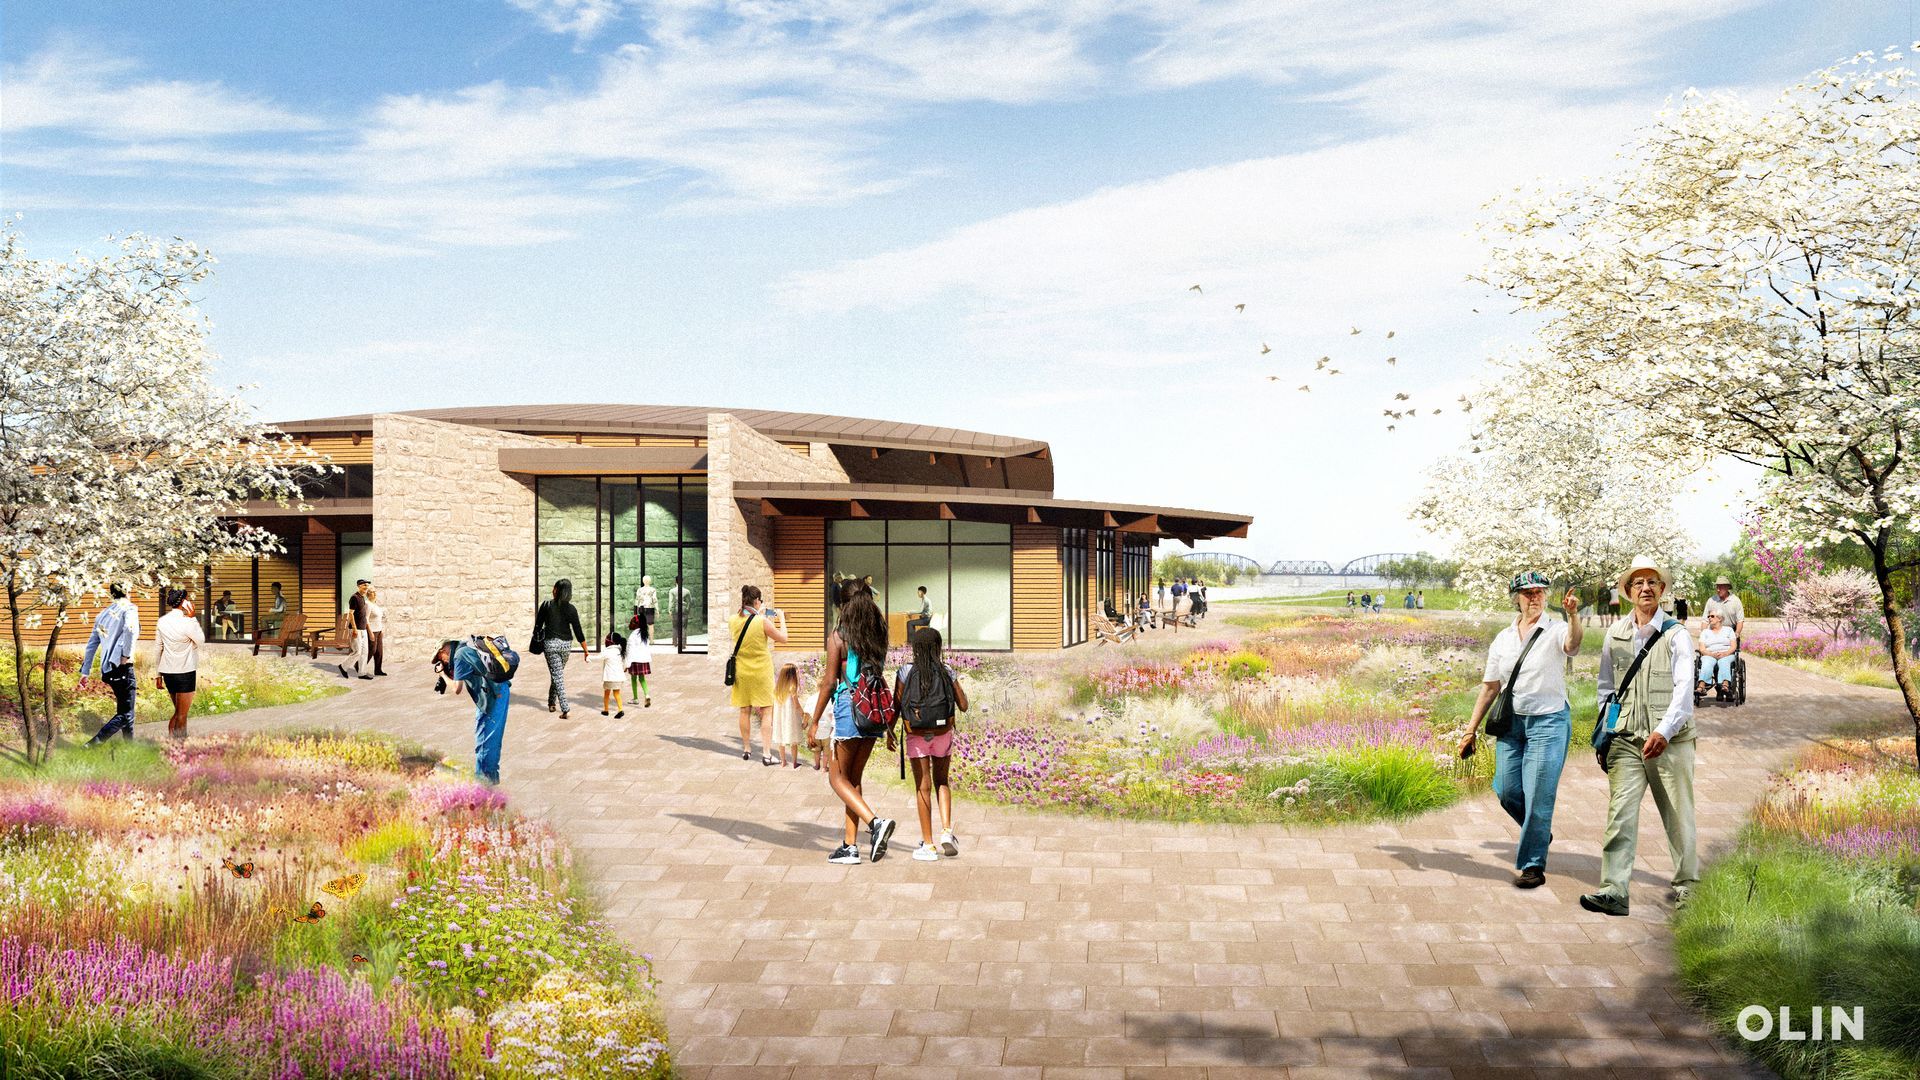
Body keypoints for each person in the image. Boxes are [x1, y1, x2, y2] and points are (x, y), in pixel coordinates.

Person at [1582, 556, 1698, 917]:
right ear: (1629, 592)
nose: (1645, 588)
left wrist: (1664, 730)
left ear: (1662, 590)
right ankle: (1613, 891)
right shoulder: (1614, 634)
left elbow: (1684, 690)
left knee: (1678, 815)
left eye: (1652, 582)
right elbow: (1606, 688)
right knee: (1620, 816)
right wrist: (1607, 731)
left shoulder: (1677, 635)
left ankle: (1687, 887)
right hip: (1627, 741)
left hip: (1670, 742)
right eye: (1638, 583)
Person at [1457, 572, 1585, 888]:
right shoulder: (1503, 638)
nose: (1534, 597)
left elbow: (1573, 644)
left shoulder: (1556, 629)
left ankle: (1532, 865)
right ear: (1516, 597)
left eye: (1539, 592)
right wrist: (1469, 730)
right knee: (1506, 789)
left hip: (1548, 722)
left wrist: (1573, 615)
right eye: (1527, 593)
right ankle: (1539, 830)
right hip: (1512, 724)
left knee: (1539, 794)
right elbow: (1490, 687)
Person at [809, 579, 898, 864]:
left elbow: (828, 682)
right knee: (853, 780)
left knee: (836, 778)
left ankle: (875, 823)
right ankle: (850, 846)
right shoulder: (877, 633)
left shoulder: (839, 636)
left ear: (843, 605)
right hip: (872, 708)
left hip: (849, 706)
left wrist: (814, 722)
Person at [894, 626, 968, 862]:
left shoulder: (905, 671)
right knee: (941, 781)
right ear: (937, 647)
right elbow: (964, 705)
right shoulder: (947, 671)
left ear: (915, 648)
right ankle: (946, 831)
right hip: (943, 732)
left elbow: (897, 704)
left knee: (922, 787)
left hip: (916, 735)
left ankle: (928, 845)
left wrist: (888, 732)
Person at [433, 636, 513, 785]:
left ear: (444, 650)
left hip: (492, 697)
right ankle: (489, 779)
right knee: (491, 739)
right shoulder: (467, 647)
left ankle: (484, 784)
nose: (442, 661)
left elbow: (457, 688)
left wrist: (442, 674)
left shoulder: (459, 656)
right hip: (500, 690)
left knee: (485, 741)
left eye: (440, 657)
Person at [728, 585, 789, 763]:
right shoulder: (762, 621)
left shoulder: (733, 620)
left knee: (744, 710)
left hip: (741, 671)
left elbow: (743, 618)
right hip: (761, 671)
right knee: (766, 711)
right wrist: (781, 618)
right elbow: (783, 638)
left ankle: (746, 749)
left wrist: (757, 612)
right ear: (757, 601)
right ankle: (767, 753)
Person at [80, 584, 140, 745]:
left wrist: (85, 672)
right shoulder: (130, 609)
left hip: (109, 670)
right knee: (127, 714)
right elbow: (130, 628)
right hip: (122, 667)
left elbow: (91, 645)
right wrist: (125, 655)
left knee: (126, 711)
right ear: (127, 591)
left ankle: (130, 748)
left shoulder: (102, 615)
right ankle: (93, 744)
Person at [154, 589, 204, 739]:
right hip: (185, 672)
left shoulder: (162, 621)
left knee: (178, 712)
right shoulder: (187, 622)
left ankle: (173, 745)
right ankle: (179, 750)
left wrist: (157, 674)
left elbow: (158, 648)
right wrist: (193, 618)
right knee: (181, 715)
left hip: (168, 672)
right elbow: (201, 640)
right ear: (184, 601)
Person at [533, 579, 587, 718]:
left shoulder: (546, 605)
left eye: (555, 587)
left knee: (557, 675)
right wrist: (585, 650)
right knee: (557, 674)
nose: (553, 589)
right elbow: (578, 631)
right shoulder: (571, 609)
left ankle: (565, 709)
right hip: (566, 646)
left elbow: (538, 626)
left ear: (557, 590)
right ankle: (552, 702)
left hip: (550, 644)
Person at [771, 663, 806, 768]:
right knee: (793, 741)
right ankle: (795, 762)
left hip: (779, 718)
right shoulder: (792, 687)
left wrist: (773, 719)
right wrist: (803, 714)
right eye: (796, 672)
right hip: (790, 717)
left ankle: (783, 761)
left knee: (780, 740)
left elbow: (773, 705)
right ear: (791, 675)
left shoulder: (777, 688)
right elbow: (796, 705)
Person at [338, 579, 372, 680]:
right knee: (357, 652)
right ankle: (343, 666)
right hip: (356, 629)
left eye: (367, 585)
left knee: (365, 652)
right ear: (359, 586)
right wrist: (354, 628)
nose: (366, 587)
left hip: (363, 629)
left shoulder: (362, 598)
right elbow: (351, 614)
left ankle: (362, 673)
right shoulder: (354, 597)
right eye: (364, 585)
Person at [1697, 612, 1737, 696]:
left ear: (1720, 618)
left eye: (1712, 616)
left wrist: (1725, 653)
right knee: (1707, 662)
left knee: (1723, 661)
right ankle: (1702, 686)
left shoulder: (1729, 630)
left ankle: (1725, 684)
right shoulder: (1705, 632)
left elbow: (1733, 646)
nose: (1709, 618)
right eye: (1708, 616)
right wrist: (1711, 654)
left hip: (1727, 654)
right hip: (1709, 654)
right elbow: (1702, 649)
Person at [1704, 577, 1745, 644]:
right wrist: (1704, 634)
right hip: (1713, 633)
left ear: (1727, 587)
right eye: (1717, 587)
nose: (1718, 589)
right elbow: (1705, 621)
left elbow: (1740, 621)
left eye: (1720, 587)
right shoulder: (1711, 601)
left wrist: (1736, 633)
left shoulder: (1735, 601)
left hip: (1729, 633)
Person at [625, 618, 652, 707]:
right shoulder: (645, 633)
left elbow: (629, 650)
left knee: (633, 679)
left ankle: (635, 698)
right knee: (642, 679)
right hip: (643, 659)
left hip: (634, 660)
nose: (630, 624)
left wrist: (627, 664)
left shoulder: (633, 635)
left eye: (631, 622)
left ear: (636, 624)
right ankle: (647, 694)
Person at [365, 586, 388, 676]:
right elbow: (366, 619)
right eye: (372, 592)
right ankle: (359, 666)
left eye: (375, 592)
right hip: (372, 631)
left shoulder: (376, 605)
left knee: (379, 651)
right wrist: (370, 632)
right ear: (368, 594)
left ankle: (378, 670)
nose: (374, 593)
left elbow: (379, 619)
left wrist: (381, 629)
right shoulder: (367, 604)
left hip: (378, 631)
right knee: (372, 650)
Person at [634, 575, 658, 643]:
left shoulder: (640, 590)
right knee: (651, 625)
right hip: (650, 608)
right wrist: (657, 609)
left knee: (642, 625)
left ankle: (643, 640)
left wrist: (635, 611)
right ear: (650, 581)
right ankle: (651, 640)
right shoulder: (653, 589)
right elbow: (654, 600)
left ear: (643, 581)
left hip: (641, 608)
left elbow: (636, 600)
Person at [669, 575, 690, 652]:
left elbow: (671, 602)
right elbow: (689, 602)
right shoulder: (687, 591)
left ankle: (675, 642)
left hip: (675, 609)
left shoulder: (672, 591)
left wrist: (670, 610)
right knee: (683, 627)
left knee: (675, 626)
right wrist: (687, 610)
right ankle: (683, 644)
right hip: (684, 609)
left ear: (675, 581)